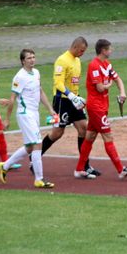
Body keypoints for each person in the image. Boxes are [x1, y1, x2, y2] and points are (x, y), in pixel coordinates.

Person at [75, 39, 127, 179]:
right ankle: (121, 170)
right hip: (96, 107)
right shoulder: (94, 66)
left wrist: (122, 92)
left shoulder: (107, 65)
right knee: (108, 136)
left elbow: (118, 79)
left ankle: (79, 169)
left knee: (90, 137)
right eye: (109, 49)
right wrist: (108, 84)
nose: (111, 51)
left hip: (102, 106)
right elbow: (100, 88)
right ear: (103, 50)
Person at [39, 36, 99, 178]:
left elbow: (74, 83)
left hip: (74, 101)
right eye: (82, 50)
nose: (82, 53)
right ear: (75, 47)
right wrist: (71, 95)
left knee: (84, 129)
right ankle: (34, 157)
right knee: (57, 133)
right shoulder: (62, 60)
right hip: (63, 101)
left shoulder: (77, 61)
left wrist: (78, 98)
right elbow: (58, 83)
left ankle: (84, 165)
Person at [0, 49, 57, 188]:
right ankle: (39, 179)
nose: (32, 59)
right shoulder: (19, 77)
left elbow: (40, 91)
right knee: (38, 143)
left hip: (34, 113)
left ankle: (5, 166)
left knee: (30, 147)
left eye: (33, 57)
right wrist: (7, 119)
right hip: (25, 114)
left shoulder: (36, 73)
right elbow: (12, 99)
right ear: (23, 61)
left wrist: (50, 110)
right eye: (29, 58)